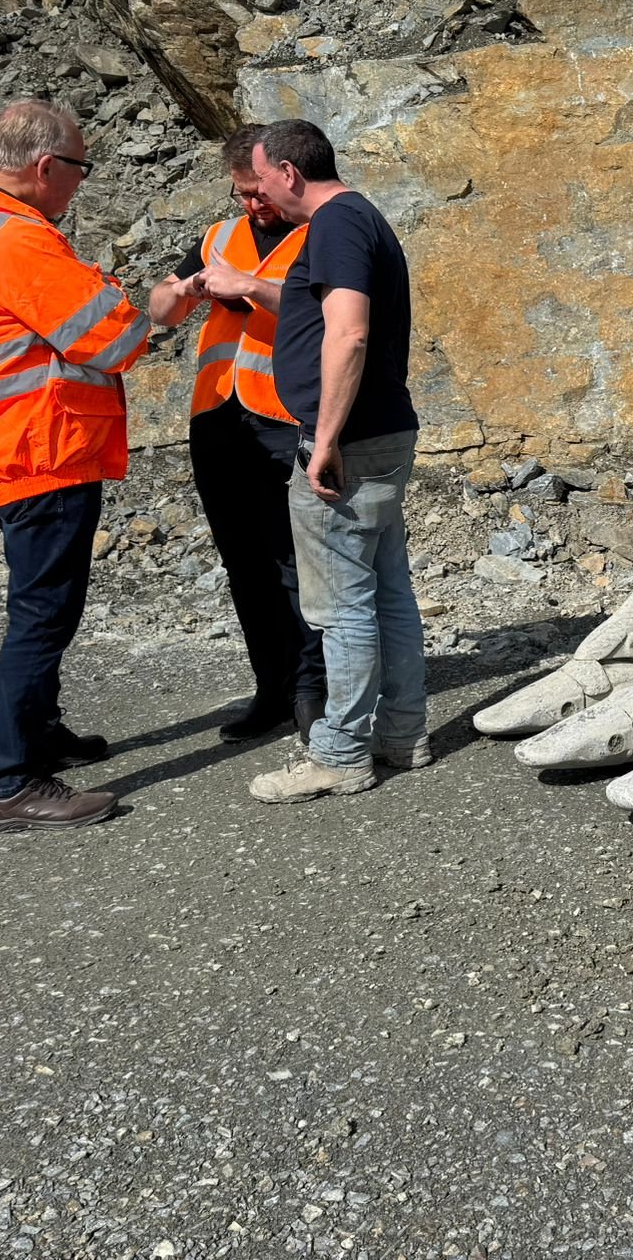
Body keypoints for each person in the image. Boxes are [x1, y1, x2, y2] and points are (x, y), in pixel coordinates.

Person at [0, 99, 149, 834]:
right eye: (80, 168)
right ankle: (13, 780)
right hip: (37, 450)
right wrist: (141, 302)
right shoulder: (14, 236)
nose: (81, 182)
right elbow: (114, 339)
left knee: (43, 606)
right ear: (47, 166)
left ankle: (40, 733)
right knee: (43, 615)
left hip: (11, 445)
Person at [242, 119, 429, 803]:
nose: (260, 195)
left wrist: (323, 441)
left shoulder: (336, 224)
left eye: (262, 180)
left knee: (342, 606)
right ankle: (403, 733)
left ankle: (342, 752)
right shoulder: (360, 218)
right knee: (388, 590)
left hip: (348, 445)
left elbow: (348, 335)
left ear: (289, 172)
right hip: (380, 434)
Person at [148, 126, 326, 743]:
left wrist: (249, 288)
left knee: (296, 563)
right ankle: (271, 689)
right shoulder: (219, 237)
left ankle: (313, 692)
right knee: (245, 562)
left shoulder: (321, 231)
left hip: (283, 417)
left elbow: (330, 312)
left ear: (283, 175)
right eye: (241, 193)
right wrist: (183, 290)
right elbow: (160, 311)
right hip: (218, 417)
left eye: (259, 192)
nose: (252, 204)